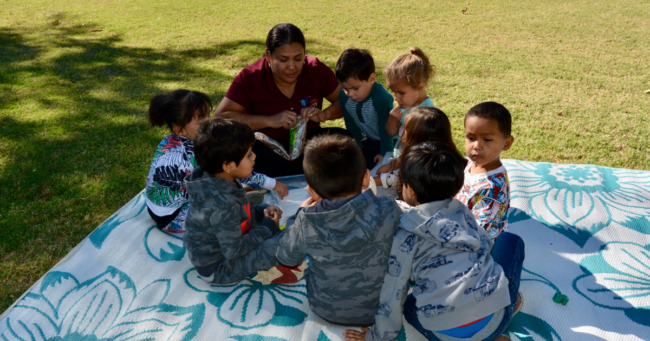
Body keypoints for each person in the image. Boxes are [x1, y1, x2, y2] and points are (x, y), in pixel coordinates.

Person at [343, 143, 524, 341]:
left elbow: (391, 296)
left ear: (409, 190)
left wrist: (376, 337)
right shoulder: (462, 210)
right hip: (496, 315)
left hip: (444, 333)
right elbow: (486, 245)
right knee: (510, 240)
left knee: (410, 305)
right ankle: (501, 318)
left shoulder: (402, 237)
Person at [275, 134, 401, 326]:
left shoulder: (306, 220)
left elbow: (286, 257)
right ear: (367, 178)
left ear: (312, 191)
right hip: (382, 309)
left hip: (325, 309)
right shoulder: (388, 207)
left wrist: (299, 214)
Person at [214, 23, 349, 177]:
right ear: (268, 55)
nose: (292, 67)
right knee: (249, 159)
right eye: (283, 60)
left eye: (298, 58)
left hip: (309, 145)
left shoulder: (315, 69)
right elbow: (220, 118)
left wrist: (325, 115)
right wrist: (269, 121)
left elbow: (346, 101)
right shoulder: (251, 77)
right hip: (264, 149)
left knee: (344, 142)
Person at [145, 90, 288, 233]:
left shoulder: (169, 141)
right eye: (201, 121)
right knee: (227, 188)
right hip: (174, 218)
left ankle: (243, 201)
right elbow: (235, 169)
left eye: (208, 115)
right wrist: (272, 184)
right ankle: (245, 208)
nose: (209, 122)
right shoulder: (199, 151)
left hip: (156, 211)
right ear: (180, 130)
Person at [183, 118, 286, 284]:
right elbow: (234, 251)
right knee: (278, 246)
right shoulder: (224, 205)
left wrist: (259, 212)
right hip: (219, 267)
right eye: (248, 155)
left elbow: (236, 217)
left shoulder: (220, 177)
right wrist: (268, 228)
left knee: (262, 211)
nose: (254, 157)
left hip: (223, 243)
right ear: (228, 165)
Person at [375, 107, 466, 199]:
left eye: (405, 130)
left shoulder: (417, 165)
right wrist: (391, 166)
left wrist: (370, 181)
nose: (402, 134)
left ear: (415, 139)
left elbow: (395, 178)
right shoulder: (452, 160)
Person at [455, 102, 515, 239]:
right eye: (471, 138)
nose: (476, 146)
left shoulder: (492, 189)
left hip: (479, 243)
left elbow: (478, 233)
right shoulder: (472, 162)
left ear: (506, 143)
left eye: (487, 139)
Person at [335, 49, 395, 169]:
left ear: (371, 79)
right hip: (369, 140)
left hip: (391, 142)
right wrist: (357, 148)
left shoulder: (381, 98)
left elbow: (386, 130)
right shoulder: (344, 96)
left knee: (381, 169)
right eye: (345, 88)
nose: (350, 94)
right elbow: (351, 124)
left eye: (355, 88)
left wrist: (385, 155)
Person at [384, 47, 436, 159]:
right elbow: (391, 133)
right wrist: (392, 120)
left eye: (401, 93)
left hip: (413, 161)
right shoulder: (404, 105)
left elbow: (422, 149)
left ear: (420, 87)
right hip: (398, 156)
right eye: (393, 92)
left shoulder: (427, 114)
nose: (396, 98)